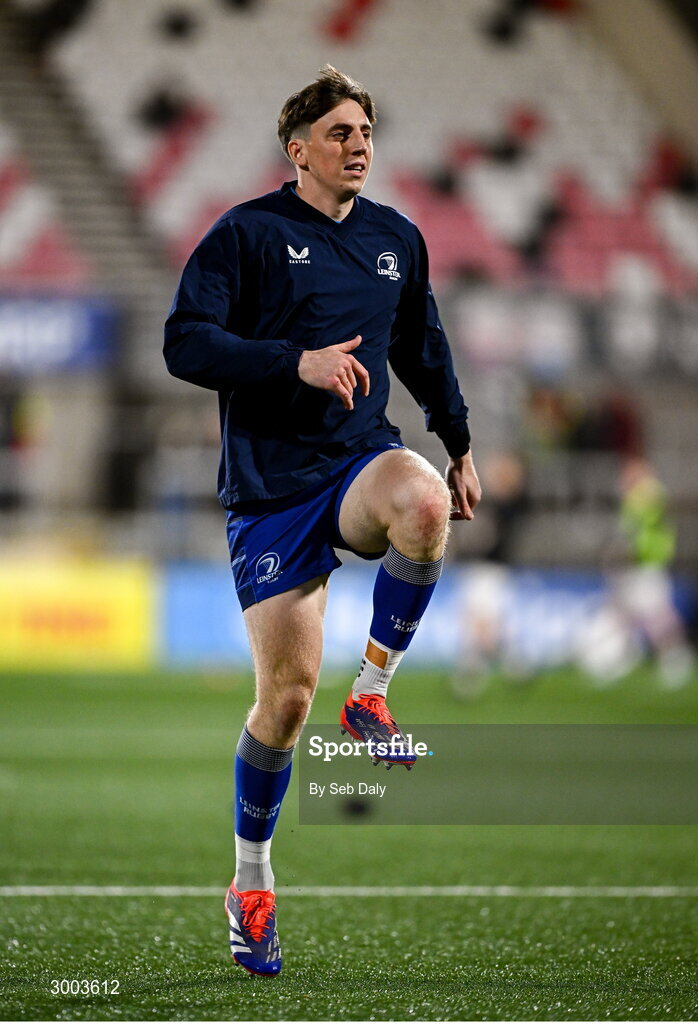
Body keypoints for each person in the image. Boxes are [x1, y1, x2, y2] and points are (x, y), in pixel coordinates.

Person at [164, 65, 481, 977]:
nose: (359, 147)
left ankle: (374, 691)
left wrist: (457, 443)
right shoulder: (247, 233)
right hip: (269, 491)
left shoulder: (395, 239)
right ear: (297, 150)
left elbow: (423, 346)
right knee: (285, 703)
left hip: (355, 464)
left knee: (420, 501)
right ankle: (251, 884)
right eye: (340, 134)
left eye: (367, 133)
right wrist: (291, 363)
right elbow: (185, 340)